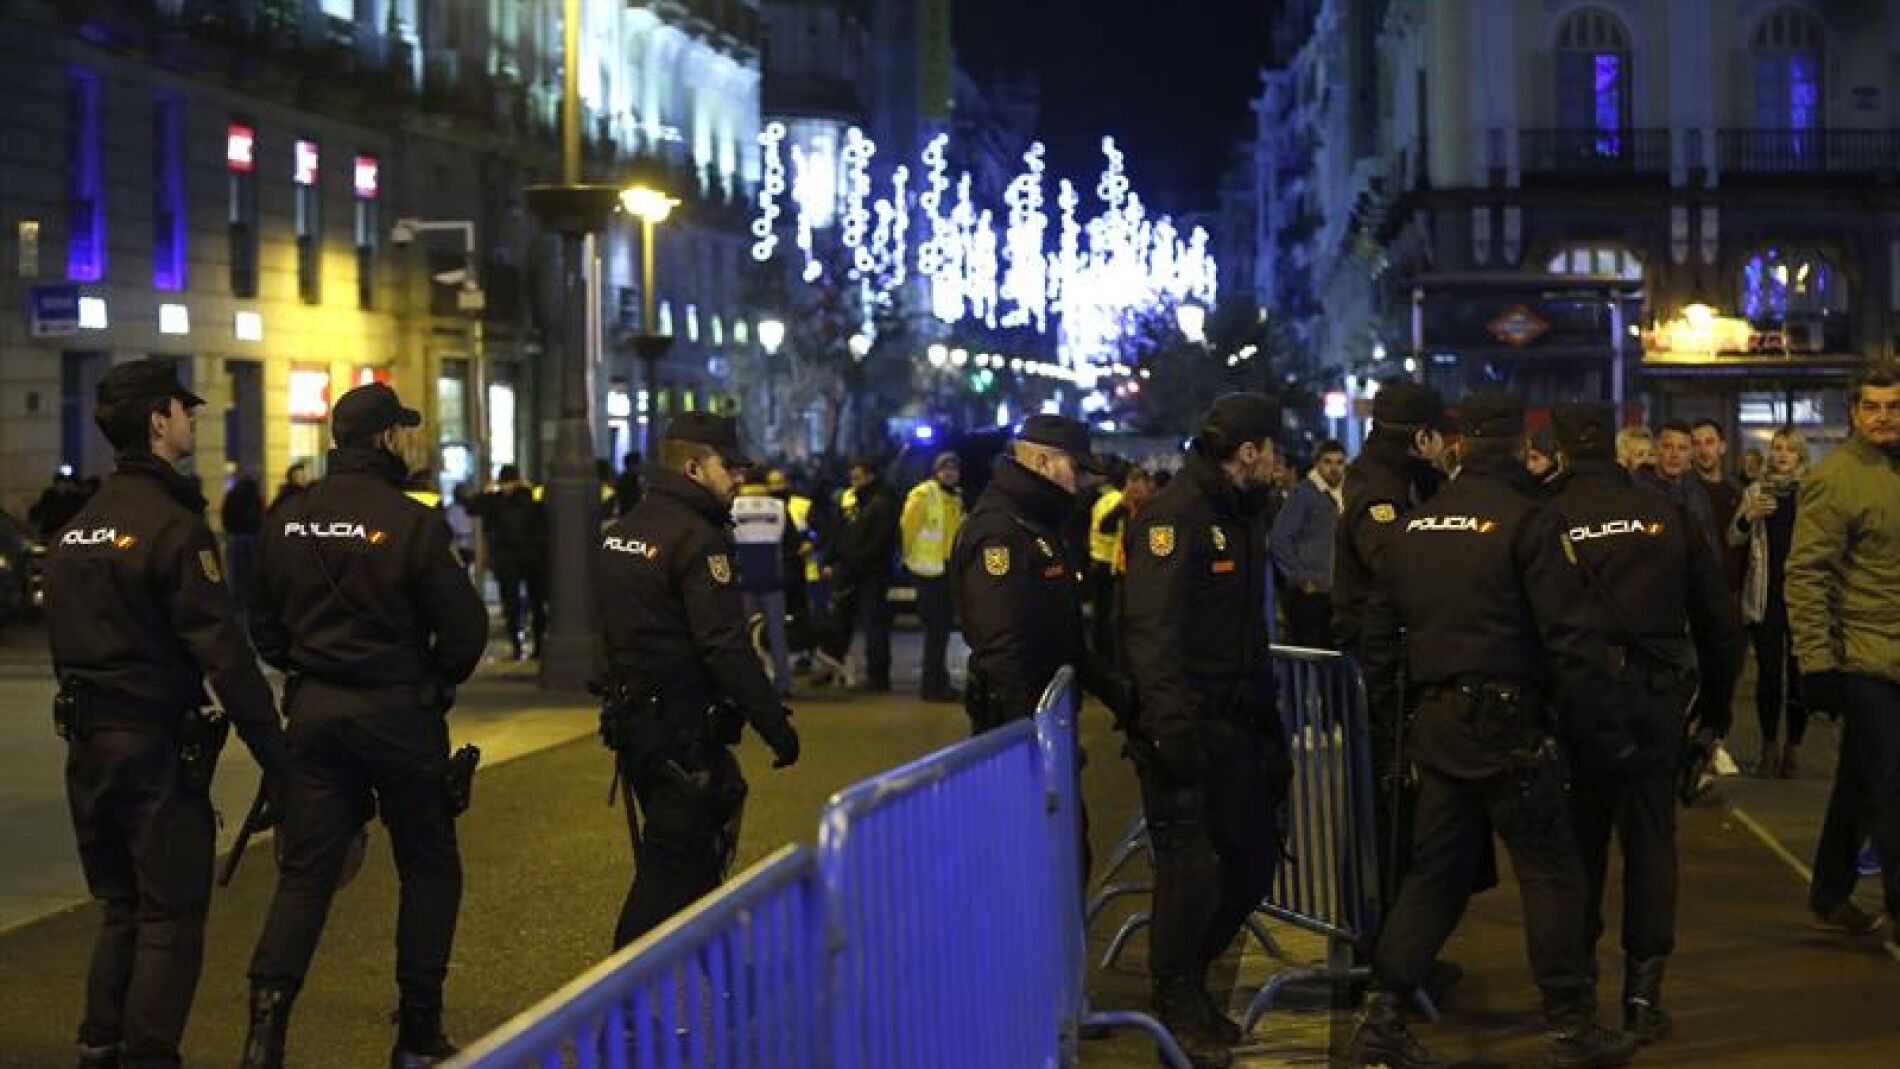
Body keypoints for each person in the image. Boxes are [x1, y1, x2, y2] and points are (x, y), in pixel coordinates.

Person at [1349, 392, 1637, 1069]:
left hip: (1438, 724)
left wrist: (1400, 720)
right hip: (1512, 728)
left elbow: (1377, 635)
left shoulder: (1414, 526)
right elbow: (1570, 640)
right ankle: (1569, 1024)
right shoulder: (1529, 520)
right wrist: (1601, 732)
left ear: (1458, 444)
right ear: (1519, 445)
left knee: (1436, 874)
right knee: (1551, 872)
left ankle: (1382, 1016)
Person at [43, 360, 290, 1069]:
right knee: (170, 914)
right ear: (158, 422)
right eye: (185, 409)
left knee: (119, 904)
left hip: (87, 747)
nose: (194, 418)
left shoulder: (74, 531)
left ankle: (98, 1042)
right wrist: (276, 754)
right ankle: (149, 1055)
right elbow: (225, 655)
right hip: (153, 749)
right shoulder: (175, 528)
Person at [241, 383, 488, 1069]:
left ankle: (264, 1032)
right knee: (429, 865)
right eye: (406, 430)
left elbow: (262, 624)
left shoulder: (287, 518)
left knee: (305, 874)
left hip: (316, 714)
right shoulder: (411, 522)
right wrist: (434, 676)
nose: (413, 440)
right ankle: (417, 1030)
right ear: (385, 439)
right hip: (399, 713)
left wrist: (309, 666)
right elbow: (465, 630)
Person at [1545, 403, 1744, 1045]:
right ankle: (1641, 996)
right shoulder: (1666, 515)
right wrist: (1714, 713)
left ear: (1561, 451)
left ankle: (1576, 997)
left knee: (1576, 847)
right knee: (1651, 843)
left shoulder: (1544, 517)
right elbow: (1721, 625)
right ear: (1613, 445)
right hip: (1653, 700)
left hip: (1575, 702)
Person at [1122, 394, 1288, 1069]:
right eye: (1273, 450)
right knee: (1189, 870)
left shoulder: (1242, 514)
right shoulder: (1176, 517)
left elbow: (1249, 632)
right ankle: (1177, 997)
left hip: (1237, 723)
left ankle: (1189, 975)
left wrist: (1270, 723)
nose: (1278, 462)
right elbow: (1152, 630)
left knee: (1253, 858)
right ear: (1248, 450)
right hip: (1187, 724)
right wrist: (1169, 730)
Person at [593, 414, 799, 948]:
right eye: (729, 467)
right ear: (693, 467)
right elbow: (724, 645)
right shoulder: (699, 539)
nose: (739, 478)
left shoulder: (623, 531)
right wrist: (773, 723)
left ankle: (731, 977)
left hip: (638, 726)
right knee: (671, 866)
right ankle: (620, 995)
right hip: (681, 728)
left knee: (696, 860)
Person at [1785, 360, 1900, 940]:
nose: (1883, 417)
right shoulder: (1836, 477)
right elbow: (1806, 574)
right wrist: (1817, 663)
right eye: (1871, 407)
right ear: (1854, 413)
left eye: (1894, 406)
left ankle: (1830, 892)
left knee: (1862, 777)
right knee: (1893, 787)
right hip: (1865, 654)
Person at [1332, 381, 1449, 909]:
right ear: (1422, 438)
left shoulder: (1404, 480)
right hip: (1380, 666)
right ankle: (1375, 930)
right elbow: (1395, 565)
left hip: (1395, 659)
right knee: (1384, 804)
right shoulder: (1379, 489)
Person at [953, 415, 1125, 732]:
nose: (1079, 483)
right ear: (1043, 462)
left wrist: (1119, 695)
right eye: (1075, 469)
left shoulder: (1035, 522)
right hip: (1021, 728)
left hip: (1046, 715)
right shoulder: (1000, 531)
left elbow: (1063, 636)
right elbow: (1003, 652)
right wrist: (1032, 740)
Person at [1731, 428, 1809, 779]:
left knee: (1800, 675)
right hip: (1766, 594)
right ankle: (1768, 747)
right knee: (1768, 674)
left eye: (1790, 449)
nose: (1782, 455)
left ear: (1800, 456)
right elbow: (1733, 536)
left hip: (1801, 595)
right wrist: (1749, 517)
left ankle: (1794, 748)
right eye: (1777, 448)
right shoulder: (1755, 491)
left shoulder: (1811, 492)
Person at [814, 458, 898, 691]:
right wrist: (831, 560)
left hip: (871, 574)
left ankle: (878, 677)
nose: (853, 482)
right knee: (841, 623)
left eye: (858, 477)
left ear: (870, 477)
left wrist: (849, 563)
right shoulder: (855, 502)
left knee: (873, 625)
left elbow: (878, 543)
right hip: (852, 572)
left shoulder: (880, 504)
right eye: (852, 478)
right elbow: (839, 533)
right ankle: (834, 667)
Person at [1270, 439, 1345, 649]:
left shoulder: (1344, 495)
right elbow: (1279, 540)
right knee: (1311, 656)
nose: (1334, 468)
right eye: (1327, 462)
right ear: (1317, 464)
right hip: (1309, 596)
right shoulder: (1303, 495)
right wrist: (1301, 579)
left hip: (1335, 594)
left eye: (1339, 462)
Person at [901, 451, 964, 701]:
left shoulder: (955, 498)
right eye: (944, 469)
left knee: (941, 631)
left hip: (945, 571)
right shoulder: (924, 494)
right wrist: (910, 560)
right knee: (936, 631)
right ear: (936, 472)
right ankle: (932, 686)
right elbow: (908, 529)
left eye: (953, 469)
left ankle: (939, 681)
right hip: (928, 572)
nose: (949, 473)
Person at [468, 465, 547, 660]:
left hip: (526, 557)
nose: (507, 487)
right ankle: (519, 646)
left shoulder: (526, 497)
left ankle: (534, 645)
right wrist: (487, 491)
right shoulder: (497, 500)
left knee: (532, 603)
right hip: (513, 558)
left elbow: (544, 513)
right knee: (515, 604)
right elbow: (472, 507)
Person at [731, 474, 793, 696]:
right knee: (777, 635)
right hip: (772, 577)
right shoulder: (778, 507)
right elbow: (790, 540)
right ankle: (783, 683)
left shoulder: (734, 507)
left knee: (741, 635)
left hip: (744, 577)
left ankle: (744, 684)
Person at [1087, 462, 1130, 661]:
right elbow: (1108, 526)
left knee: (1100, 614)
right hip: (1111, 564)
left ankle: (1100, 655)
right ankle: (1110, 657)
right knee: (1112, 615)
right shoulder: (1120, 501)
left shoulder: (1102, 500)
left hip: (1097, 559)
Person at [221, 474, 265, 607]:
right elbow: (260, 515)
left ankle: (236, 600)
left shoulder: (231, 495)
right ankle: (250, 598)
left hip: (234, 536)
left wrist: (229, 530)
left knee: (235, 571)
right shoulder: (254, 495)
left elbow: (225, 514)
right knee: (251, 569)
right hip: (251, 536)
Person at [29, 466, 92, 537]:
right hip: (50, 529)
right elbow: (39, 509)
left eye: (65, 483)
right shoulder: (49, 494)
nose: (62, 486)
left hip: (67, 529)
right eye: (60, 483)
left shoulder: (74, 497)